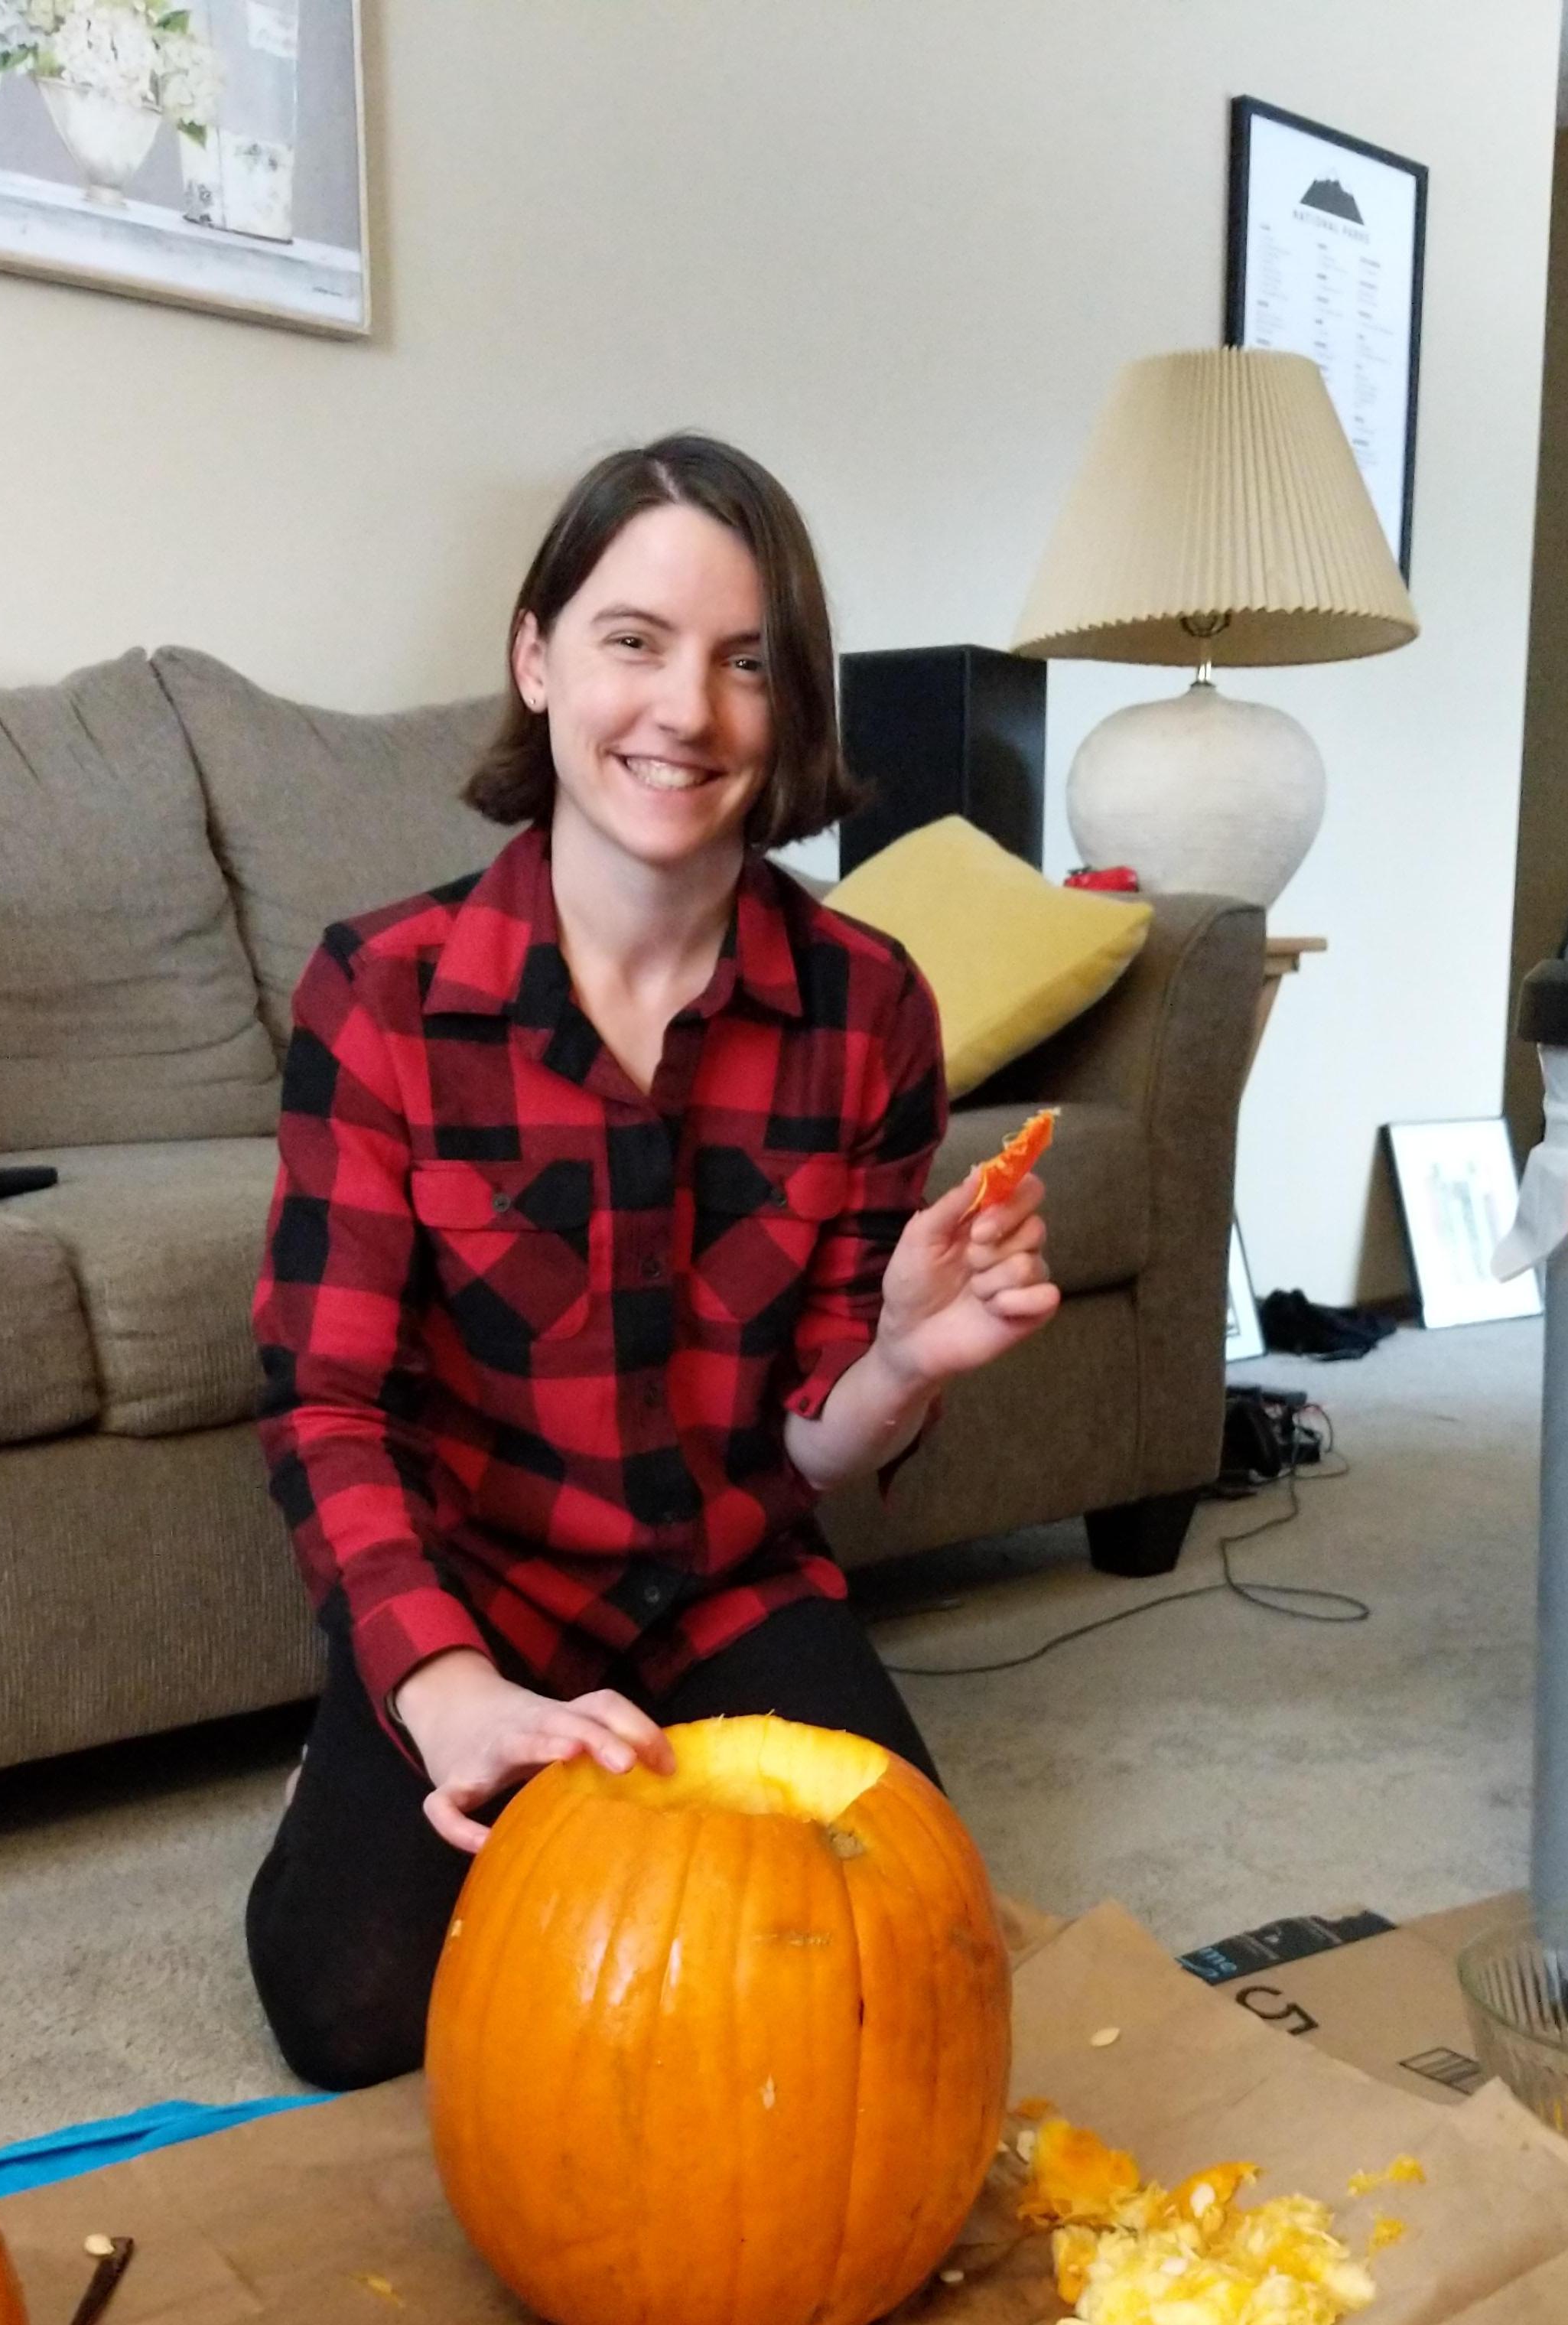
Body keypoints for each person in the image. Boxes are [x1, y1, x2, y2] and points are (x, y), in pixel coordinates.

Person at [243, 434, 1058, 2089]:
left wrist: (900, 1358)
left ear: (789, 707)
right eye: (634, 641)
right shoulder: (382, 993)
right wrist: (449, 1691)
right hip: (483, 1588)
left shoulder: (871, 1007)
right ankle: (366, 1720)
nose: (685, 711)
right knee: (350, 2015)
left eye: (745, 664)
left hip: (730, 1584)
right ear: (537, 658)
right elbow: (330, 1402)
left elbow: (809, 1447)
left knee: (898, 1969)